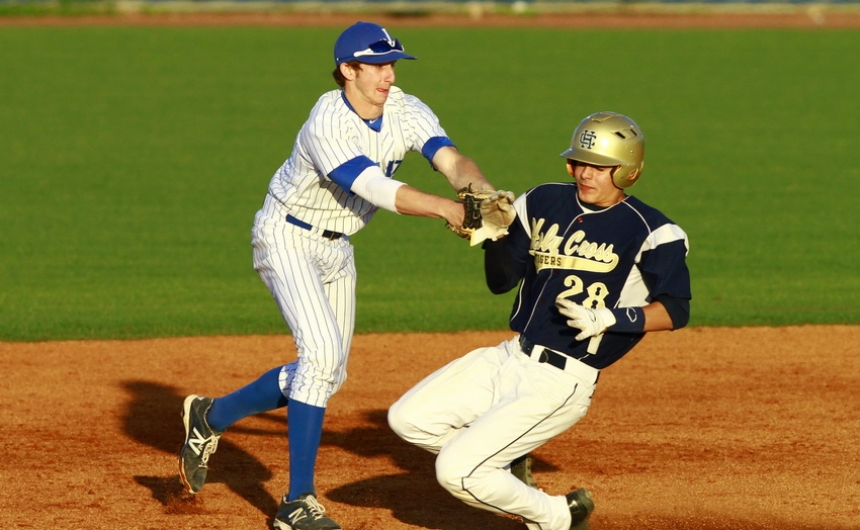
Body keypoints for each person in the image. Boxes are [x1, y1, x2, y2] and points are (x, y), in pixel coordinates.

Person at [178, 21, 503, 530]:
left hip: (337, 246)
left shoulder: (405, 108)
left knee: (328, 372)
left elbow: (448, 157)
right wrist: (447, 210)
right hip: (286, 236)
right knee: (321, 358)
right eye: (376, 66)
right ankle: (297, 502)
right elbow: (374, 188)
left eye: (392, 64)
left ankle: (209, 417)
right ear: (347, 70)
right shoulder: (327, 121)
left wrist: (478, 188)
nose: (388, 76)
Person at [388, 111, 692, 530]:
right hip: (511, 356)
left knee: (456, 472)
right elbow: (502, 281)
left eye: (600, 167)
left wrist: (609, 318)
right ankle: (504, 459)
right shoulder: (542, 199)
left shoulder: (655, 231)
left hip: (561, 381)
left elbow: (675, 310)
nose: (585, 174)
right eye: (578, 163)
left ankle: (555, 517)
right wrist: (492, 238)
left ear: (628, 170)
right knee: (408, 419)